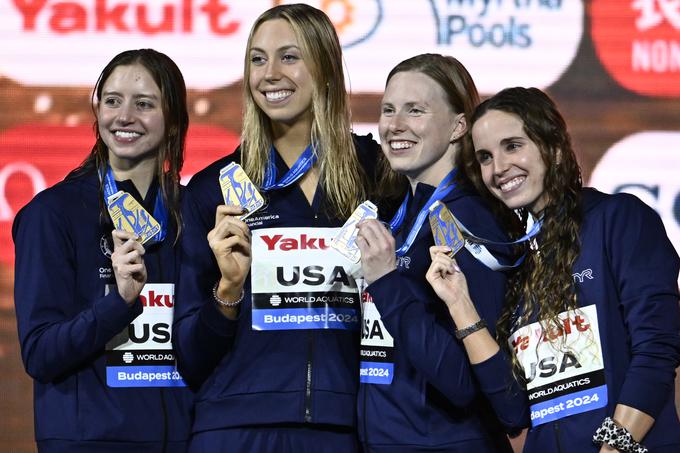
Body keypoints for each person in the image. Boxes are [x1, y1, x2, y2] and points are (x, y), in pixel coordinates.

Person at [427, 86, 680, 452]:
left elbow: (656, 351)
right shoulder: (516, 257)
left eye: (513, 145)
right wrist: (459, 304)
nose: (498, 168)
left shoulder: (618, 219)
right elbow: (514, 409)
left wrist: (613, 448)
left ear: (556, 148)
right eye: (485, 157)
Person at [173, 4, 377, 452]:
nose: (269, 74)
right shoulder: (215, 190)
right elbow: (189, 357)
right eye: (257, 59)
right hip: (233, 429)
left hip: (341, 427)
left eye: (289, 56)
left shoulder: (375, 173)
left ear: (324, 66)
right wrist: (227, 290)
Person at [13, 49, 194, 452]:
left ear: (175, 121)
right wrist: (121, 302)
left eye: (143, 104)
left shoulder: (192, 213)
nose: (123, 116)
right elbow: (41, 354)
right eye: (112, 101)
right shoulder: (52, 215)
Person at [354, 53, 524, 452]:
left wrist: (386, 282)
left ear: (458, 126)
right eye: (388, 110)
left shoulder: (470, 220)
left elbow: (464, 382)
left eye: (415, 111)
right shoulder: (396, 213)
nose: (394, 125)